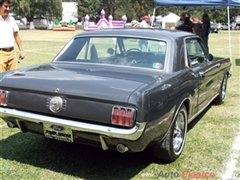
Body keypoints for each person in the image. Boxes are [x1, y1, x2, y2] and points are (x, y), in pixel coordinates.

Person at [0, 0, 25, 72]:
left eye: (9, 7)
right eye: (6, 6)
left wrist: (21, 50)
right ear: (0, 6)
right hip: (1, 53)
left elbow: (16, 35)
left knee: (13, 77)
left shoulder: (12, 19)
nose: (8, 9)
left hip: (12, 53)